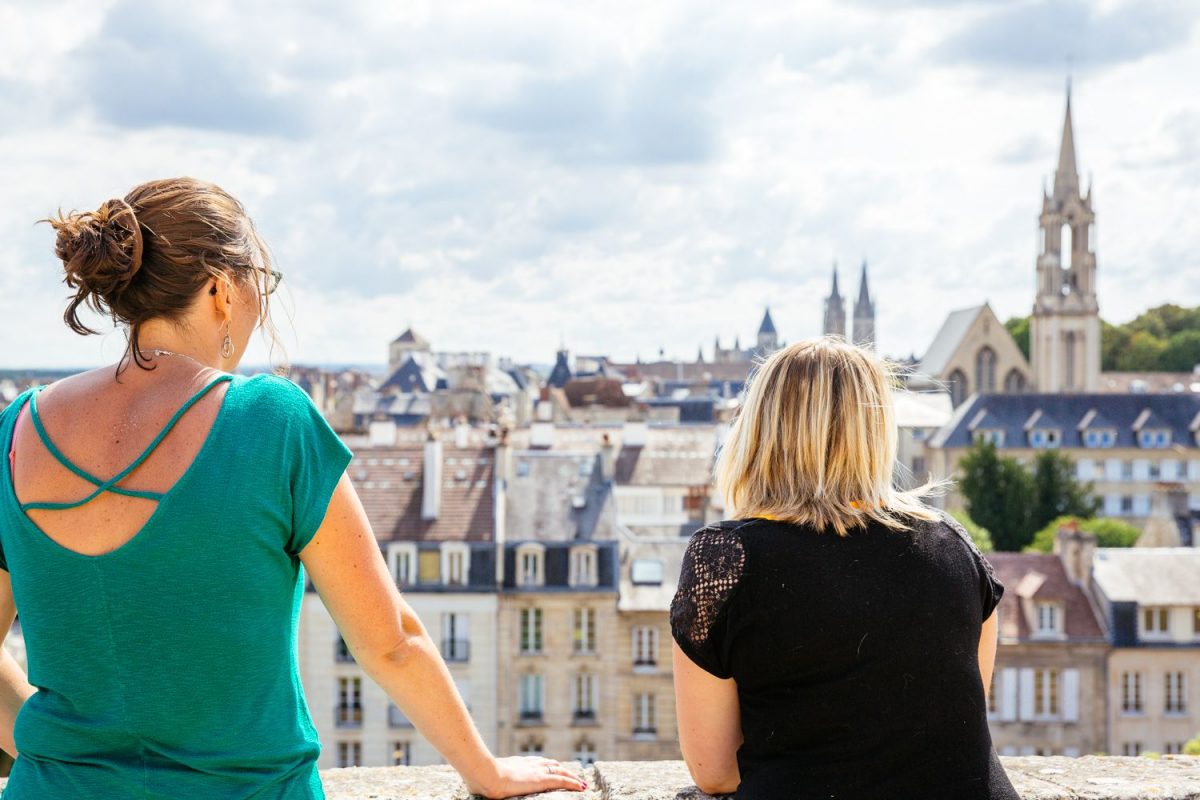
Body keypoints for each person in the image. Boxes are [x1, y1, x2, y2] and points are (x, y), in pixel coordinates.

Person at [0, 177, 587, 799]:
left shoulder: (18, 429)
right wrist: (487, 771)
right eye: (261, 281)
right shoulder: (269, 421)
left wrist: (56, 749)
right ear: (221, 289)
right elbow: (390, 642)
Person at [669, 338, 1019, 800]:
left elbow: (714, 772)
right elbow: (952, 725)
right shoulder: (953, 543)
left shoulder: (726, 556)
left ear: (759, 429)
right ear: (877, 431)